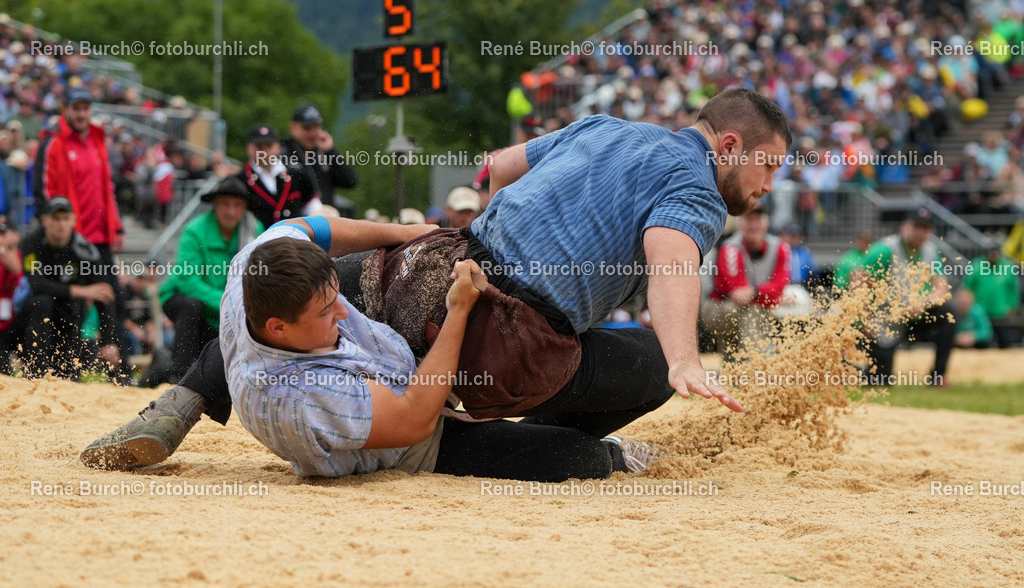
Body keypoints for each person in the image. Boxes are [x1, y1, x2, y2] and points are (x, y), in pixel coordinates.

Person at [81, 87, 790, 471]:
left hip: (434, 262)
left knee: (283, 287)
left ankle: (177, 405)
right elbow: (671, 257)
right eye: (767, 166)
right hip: (510, 340)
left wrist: (494, 238)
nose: (767, 186)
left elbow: (499, 166)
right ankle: (532, 441)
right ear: (729, 145)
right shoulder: (697, 186)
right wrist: (683, 356)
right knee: (646, 367)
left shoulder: (604, 126)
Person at [84, 218, 659, 481]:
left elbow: (313, 229)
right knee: (579, 459)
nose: (342, 313)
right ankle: (586, 448)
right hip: (410, 438)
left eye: (334, 298)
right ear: (280, 327)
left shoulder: (256, 265)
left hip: (366, 363)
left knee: (245, 337)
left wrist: (407, 234)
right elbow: (414, 417)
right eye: (325, 312)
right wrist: (458, 310)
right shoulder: (300, 399)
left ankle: (177, 404)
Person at [156, 176, 264, 384]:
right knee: (191, 307)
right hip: (184, 298)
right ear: (214, 204)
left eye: (237, 205)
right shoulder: (195, 230)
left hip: (226, 305)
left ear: (244, 208)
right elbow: (187, 281)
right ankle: (178, 375)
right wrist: (229, 303)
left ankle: (162, 365)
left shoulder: (255, 229)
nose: (231, 211)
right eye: (225, 204)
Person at [34, 87, 124, 327]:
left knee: (114, 302)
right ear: (66, 109)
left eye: (86, 108)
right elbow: (43, 192)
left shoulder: (97, 140)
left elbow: (107, 188)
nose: (82, 114)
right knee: (69, 309)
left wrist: (117, 226)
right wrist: (58, 232)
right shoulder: (53, 142)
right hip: (70, 239)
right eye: (76, 108)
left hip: (99, 237)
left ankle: (115, 352)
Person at [18, 197, 126, 382]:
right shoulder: (30, 242)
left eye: (65, 218)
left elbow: (103, 293)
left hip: (69, 315)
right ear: (45, 220)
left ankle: (69, 373)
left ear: (73, 220)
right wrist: (82, 291)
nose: (61, 224)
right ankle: (35, 373)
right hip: (29, 317)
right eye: (56, 218)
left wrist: (108, 341)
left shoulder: (85, 250)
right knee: (43, 302)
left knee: (72, 314)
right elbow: (37, 284)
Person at [861, 208, 956, 386]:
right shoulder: (884, 250)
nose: (920, 232)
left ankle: (938, 375)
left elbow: (942, 287)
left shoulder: (930, 251)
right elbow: (860, 284)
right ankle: (856, 372)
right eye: (916, 227)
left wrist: (923, 303)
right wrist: (867, 321)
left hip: (916, 317)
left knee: (949, 313)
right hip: (885, 320)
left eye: (925, 228)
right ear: (904, 227)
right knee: (880, 379)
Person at [701, 203, 791, 362]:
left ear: (766, 222)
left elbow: (780, 285)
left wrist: (756, 293)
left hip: (750, 308)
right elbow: (740, 296)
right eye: (749, 220)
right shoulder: (730, 248)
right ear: (741, 223)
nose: (754, 225)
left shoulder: (780, 247)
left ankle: (737, 367)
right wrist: (774, 299)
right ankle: (756, 366)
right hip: (718, 308)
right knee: (753, 313)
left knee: (791, 307)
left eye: (758, 219)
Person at [279, 104, 359, 215]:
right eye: (307, 128)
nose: (312, 133)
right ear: (293, 127)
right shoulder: (283, 152)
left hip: (327, 219)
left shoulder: (324, 151)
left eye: (316, 127)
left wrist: (331, 151)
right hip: (299, 219)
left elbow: (351, 181)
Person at [235, 125, 322, 228]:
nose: (264, 152)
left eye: (269, 146)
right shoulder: (240, 180)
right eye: (259, 147)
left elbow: (311, 207)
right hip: (258, 236)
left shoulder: (296, 174)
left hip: (293, 235)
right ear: (249, 148)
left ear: (278, 147)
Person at [963, 248, 1021, 349]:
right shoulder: (977, 265)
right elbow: (968, 287)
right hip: (981, 311)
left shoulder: (1007, 266)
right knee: (981, 343)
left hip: (1001, 311)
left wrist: (1013, 306)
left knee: (1004, 342)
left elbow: (1013, 289)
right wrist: (968, 304)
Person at [0, 220, 21, 374]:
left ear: (15, 236)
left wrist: (17, 270)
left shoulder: (24, 255)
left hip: (16, 319)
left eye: (3, 234)